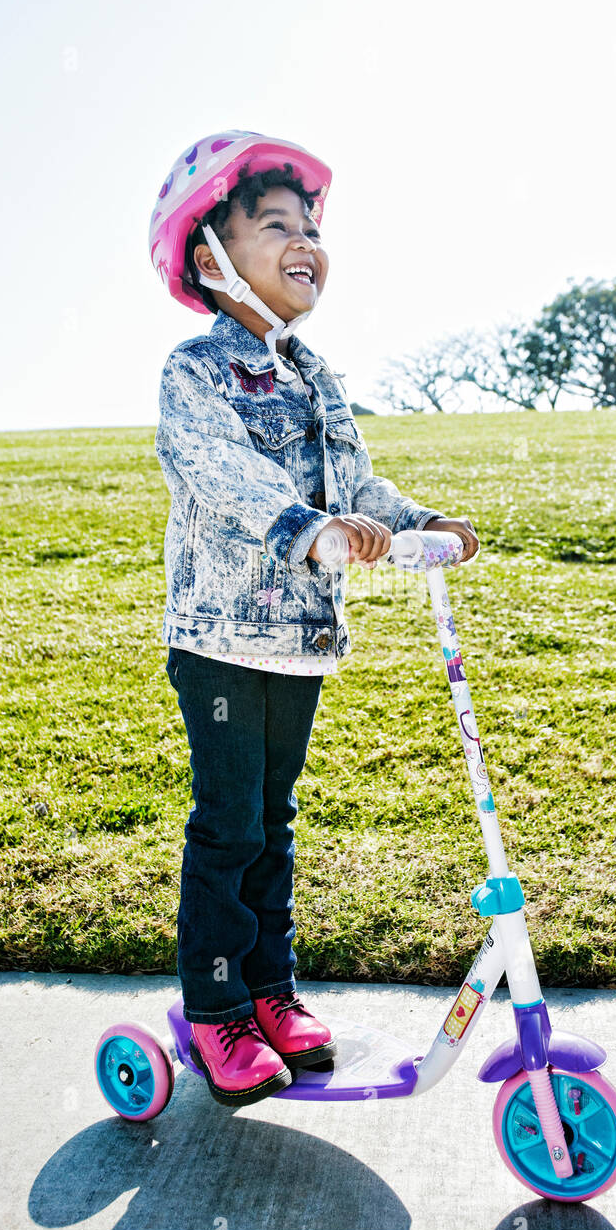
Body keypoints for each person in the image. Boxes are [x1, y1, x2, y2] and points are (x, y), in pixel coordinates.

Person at [150, 130, 479, 1106]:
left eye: (310, 228)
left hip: (296, 643)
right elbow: (224, 476)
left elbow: (357, 481)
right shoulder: (193, 374)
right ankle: (215, 1008)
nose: (305, 242)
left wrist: (414, 524)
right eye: (276, 226)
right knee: (228, 825)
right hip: (217, 642)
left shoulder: (315, 377)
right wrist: (307, 528)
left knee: (274, 822)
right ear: (213, 258)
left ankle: (269, 990)